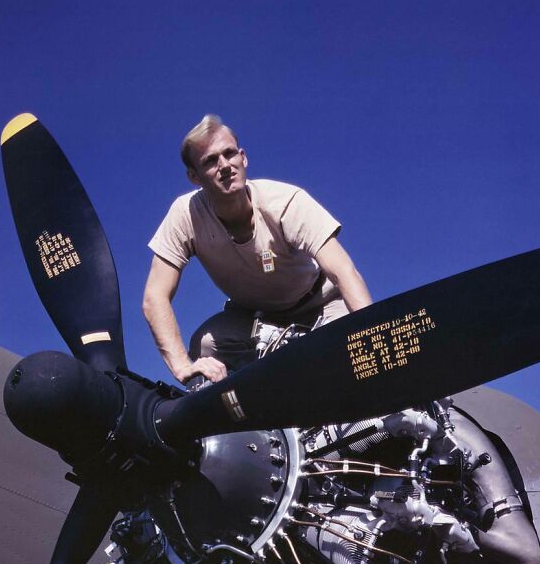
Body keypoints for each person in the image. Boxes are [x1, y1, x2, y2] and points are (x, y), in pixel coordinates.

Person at [142, 115, 372, 384]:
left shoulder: (285, 201)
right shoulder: (185, 214)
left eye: (229, 154)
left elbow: (344, 271)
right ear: (194, 176)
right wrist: (182, 367)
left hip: (321, 305)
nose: (225, 165)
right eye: (210, 160)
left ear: (243, 158)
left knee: (355, 354)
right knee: (206, 346)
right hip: (256, 319)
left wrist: (370, 335)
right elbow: (154, 296)